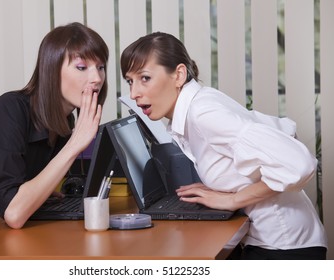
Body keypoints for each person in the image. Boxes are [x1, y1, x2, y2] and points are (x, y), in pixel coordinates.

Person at [120, 32, 328, 260]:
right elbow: (277, 132)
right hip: (270, 240)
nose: (134, 94)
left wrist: (231, 200)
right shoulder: (196, 107)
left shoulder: (203, 113)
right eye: (130, 81)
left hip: (285, 247)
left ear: (178, 75)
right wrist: (230, 188)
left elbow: (300, 164)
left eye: (145, 78)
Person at [0, 22, 109, 230]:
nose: (96, 79)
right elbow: (14, 213)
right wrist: (75, 144)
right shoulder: (10, 109)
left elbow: (14, 193)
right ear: (51, 70)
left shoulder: (64, 122)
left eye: (101, 67)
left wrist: (40, 191)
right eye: (82, 67)